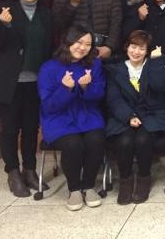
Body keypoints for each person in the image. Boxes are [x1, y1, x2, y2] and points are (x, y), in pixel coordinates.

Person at [0, 0, 52, 197]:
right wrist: (3, 25)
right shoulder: (3, 9)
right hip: (9, 81)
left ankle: (30, 170)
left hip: (35, 81)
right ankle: (13, 172)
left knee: (30, 128)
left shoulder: (46, 14)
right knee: (9, 129)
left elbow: (48, 46)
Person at [37, 26, 106, 211]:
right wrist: (65, 89)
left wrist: (85, 87)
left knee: (96, 139)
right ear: (68, 41)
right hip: (59, 119)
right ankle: (74, 189)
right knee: (73, 144)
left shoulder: (94, 65)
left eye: (88, 44)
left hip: (87, 115)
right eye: (79, 42)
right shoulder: (49, 67)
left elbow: (99, 95)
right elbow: (48, 106)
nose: (83, 48)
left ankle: (88, 186)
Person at [105, 30, 165, 205]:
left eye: (141, 48)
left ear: (147, 51)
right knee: (125, 141)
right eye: (133, 47)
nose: (136, 52)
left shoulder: (155, 64)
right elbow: (114, 99)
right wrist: (129, 116)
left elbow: (160, 86)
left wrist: (156, 61)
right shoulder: (116, 69)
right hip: (124, 116)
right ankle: (125, 182)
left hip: (152, 115)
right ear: (127, 47)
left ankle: (143, 179)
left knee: (143, 140)